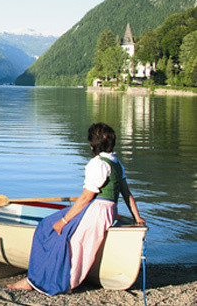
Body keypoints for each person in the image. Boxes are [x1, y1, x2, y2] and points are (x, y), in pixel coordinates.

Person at [8, 122, 146, 295]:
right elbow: (127, 194)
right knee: (50, 226)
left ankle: (50, 281)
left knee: (53, 232)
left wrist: (63, 221)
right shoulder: (117, 164)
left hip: (96, 211)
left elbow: (87, 197)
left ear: (92, 145)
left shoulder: (98, 164)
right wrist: (137, 217)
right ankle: (37, 278)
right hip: (109, 211)